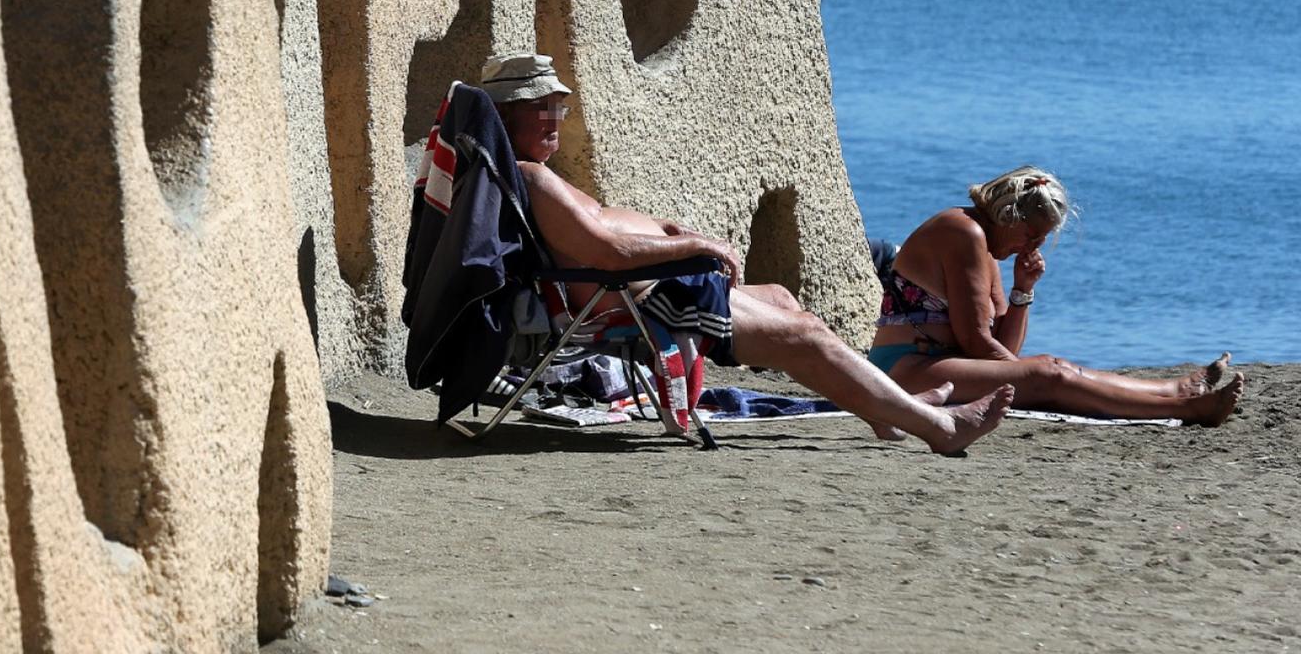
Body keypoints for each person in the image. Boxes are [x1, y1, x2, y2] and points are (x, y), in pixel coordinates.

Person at [479, 52, 1015, 455]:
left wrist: (671, 236)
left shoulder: (526, 173)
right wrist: (697, 245)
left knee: (783, 297)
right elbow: (609, 249)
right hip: (633, 297)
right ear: (505, 116)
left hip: (638, 287)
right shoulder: (530, 176)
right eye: (540, 109)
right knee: (804, 335)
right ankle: (941, 429)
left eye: (558, 107)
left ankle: (890, 411)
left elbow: (601, 236)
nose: (555, 118)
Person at [868, 167, 1243, 425]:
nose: (1034, 246)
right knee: (1049, 372)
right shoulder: (963, 232)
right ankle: (1185, 409)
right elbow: (975, 342)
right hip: (903, 368)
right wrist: (1035, 372)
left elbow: (1003, 349)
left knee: (1051, 369)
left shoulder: (985, 247)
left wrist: (1022, 291)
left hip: (939, 364)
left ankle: (1174, 389)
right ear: (1008, 215)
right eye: (1031, 234)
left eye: (1042, 238)